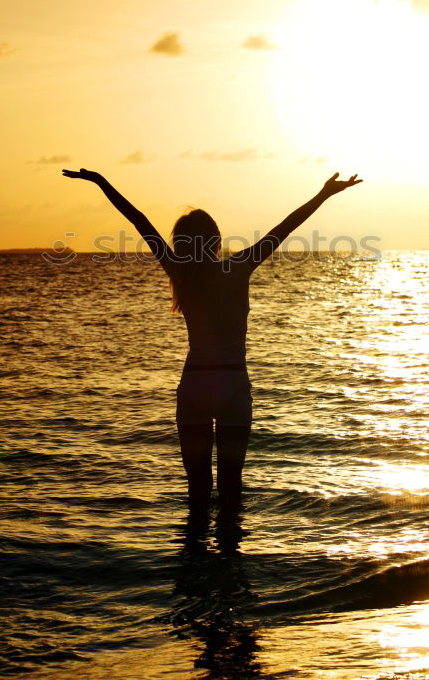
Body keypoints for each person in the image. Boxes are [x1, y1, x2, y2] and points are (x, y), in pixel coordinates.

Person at [62, 168, 362, 509]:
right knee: (231, 488)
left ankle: (194, 556)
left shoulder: (179, 270)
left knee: (198, 491)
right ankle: (230, 558)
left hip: (194, 385)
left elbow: (138, 220)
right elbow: (284, 228)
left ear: (180, 241)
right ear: (216, 238)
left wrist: (101, 182)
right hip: (233, 382)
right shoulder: (240, 266)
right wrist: (323, 194)